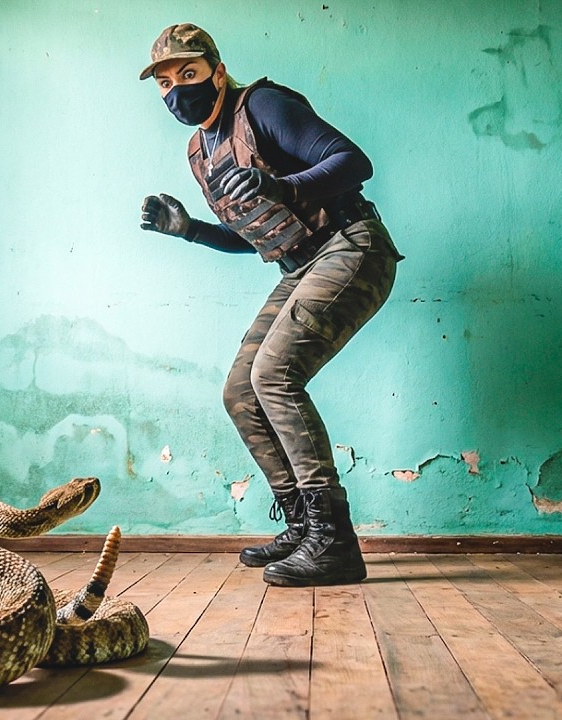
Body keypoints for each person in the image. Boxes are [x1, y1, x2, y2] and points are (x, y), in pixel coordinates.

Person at [139, 23, 401, 587]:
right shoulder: (200, 149)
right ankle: (306, 527)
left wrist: (284, 186)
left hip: (351, 245)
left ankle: (334, 542)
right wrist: (190, 231)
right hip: (298, 264)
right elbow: (252, 232)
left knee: (275, 373)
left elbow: (353, 163)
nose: (177, 89)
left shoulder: (263, 105)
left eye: (188, 73)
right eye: (164, 81)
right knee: (240, 391)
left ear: (217, 69)